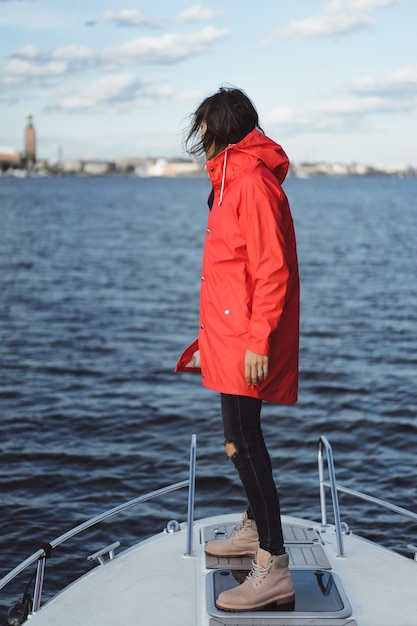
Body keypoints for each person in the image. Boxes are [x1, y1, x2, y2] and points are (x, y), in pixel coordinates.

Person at [175, 87, 300, 612]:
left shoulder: (249, 181)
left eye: (204, 125)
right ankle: (255, 528)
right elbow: (230, 273)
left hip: (249, 338)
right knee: (239, 440)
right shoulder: (227, 180)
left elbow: (272, 269)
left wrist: (255, 340)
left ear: (222, 128)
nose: (199, 135)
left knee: (241, 442)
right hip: (229, 336)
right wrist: (209, 339)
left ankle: (272, 563)